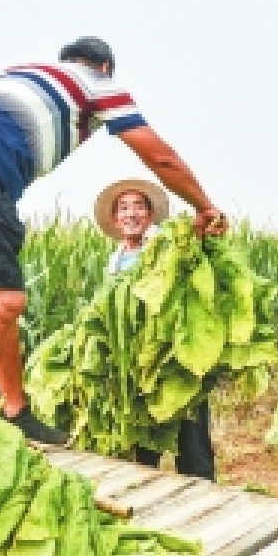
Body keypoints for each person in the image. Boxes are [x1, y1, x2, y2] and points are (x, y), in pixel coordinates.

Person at [0, 37, 228, 445]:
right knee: (5, 303)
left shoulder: (14, 75)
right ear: (103, 67)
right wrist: (204, 206)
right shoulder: (99, 85)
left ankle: (15, 410)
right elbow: (159, 157)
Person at [94, 178, 217, 480]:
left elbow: (194, 248)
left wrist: (203, 226)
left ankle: (202, 507)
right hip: (136, 363)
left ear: (150, 214)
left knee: (191, 440)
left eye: (138, 206)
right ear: (115, 218)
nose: (131, 213)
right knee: (143, 445)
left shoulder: (165, 243)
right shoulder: (116, 259)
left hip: (176, 358)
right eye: (123, 208)